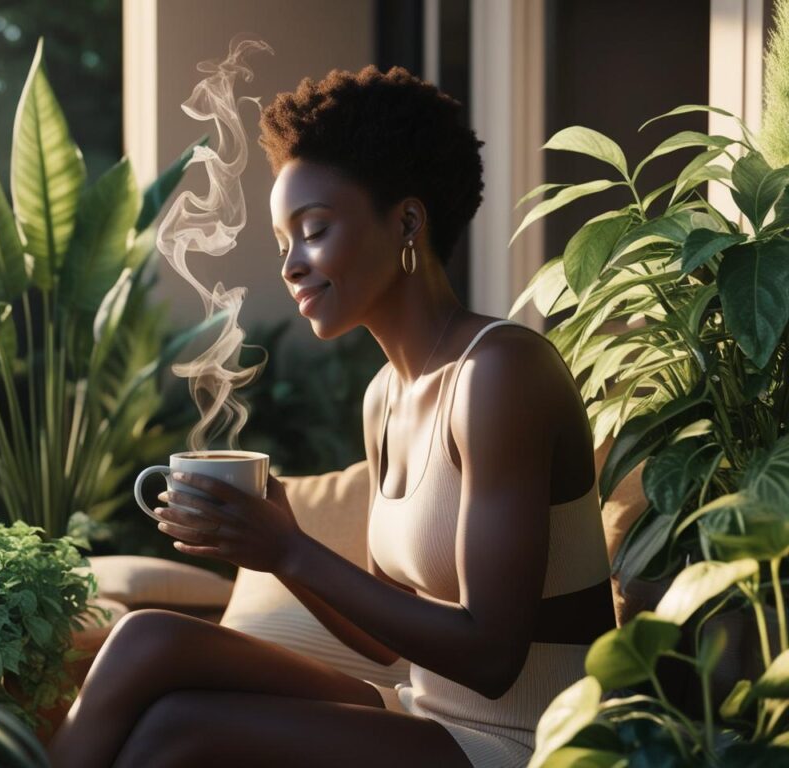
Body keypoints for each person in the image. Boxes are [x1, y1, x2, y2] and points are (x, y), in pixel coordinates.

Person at [49, 64, 614, 768]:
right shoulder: (386, 395)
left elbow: (492, 655)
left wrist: (289, 551)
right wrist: (279, 543)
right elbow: (391, 642)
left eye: (313, 230)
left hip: (527, 744)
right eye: (285, 241)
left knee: (177, 735)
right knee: (147, 641)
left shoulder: (500, 373)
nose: (291, 265)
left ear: (407, 221)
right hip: (424, 712)